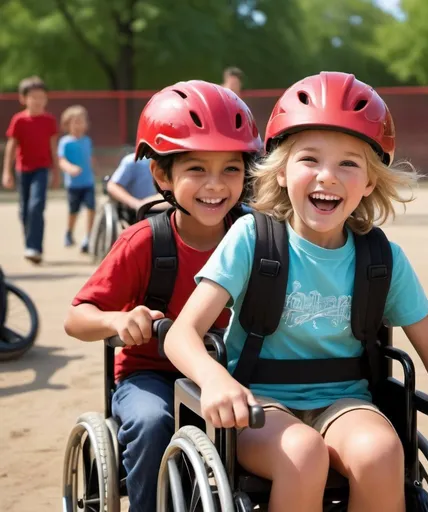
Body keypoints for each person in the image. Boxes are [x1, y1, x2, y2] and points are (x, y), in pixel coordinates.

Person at [164, 72, 428, 512]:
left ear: (370, 182)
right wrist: (214, 380)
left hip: (345, 402)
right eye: (309, 160)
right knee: (301, 453)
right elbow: (181, 334)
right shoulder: (252, 239)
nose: (328, 177)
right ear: (281, 173)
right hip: (257, 406)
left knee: (382, 453)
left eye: (348, 164)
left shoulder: (382, 260)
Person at [63, 80, 261, 512]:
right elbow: (76, 318)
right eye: (196, 169)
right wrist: (117, 321)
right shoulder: (143, 242)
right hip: (150, 374)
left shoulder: (256, 238)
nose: (216, 185)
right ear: (161, 174)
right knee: (153, 423)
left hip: (232, 370)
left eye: (231, 168)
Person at [2, 76, 60, 264]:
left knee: (36, 206)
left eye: (41, 97)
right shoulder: (18, 121)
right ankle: (30, 243)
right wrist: (7, 172)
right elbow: (11, 147)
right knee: (24, 210)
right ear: (23, 99)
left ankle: (34, 247)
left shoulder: (49, 121)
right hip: (22, 169)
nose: (37, 101)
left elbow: (53, 147)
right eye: (33, 97)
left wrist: (57, 172)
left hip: (42, 169)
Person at [58, 105, 96, 252]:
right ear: (68, 124)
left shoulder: (87, 140)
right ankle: (69, 231)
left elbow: (89, 158)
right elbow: (61, 160)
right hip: (74, 185)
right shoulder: (65, 142)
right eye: (76, 121)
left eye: (83, 121)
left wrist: (94, 169)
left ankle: (88, 236)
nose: (80, 125)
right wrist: (70, 168)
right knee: (73, 211)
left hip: (88, 182)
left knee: (91, 208)